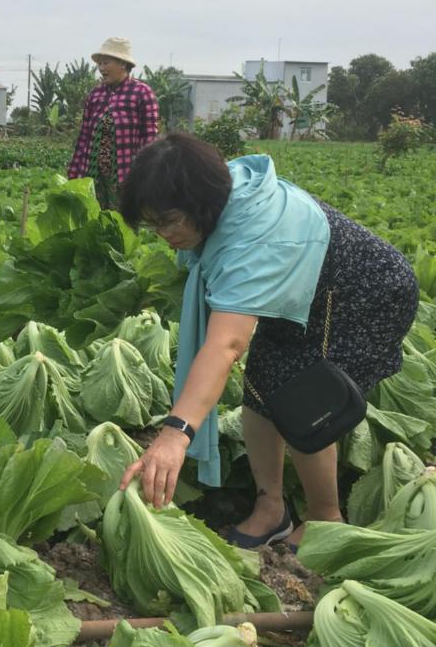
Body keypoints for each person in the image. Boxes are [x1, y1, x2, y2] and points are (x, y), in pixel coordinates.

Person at [118, 132, 419, 550]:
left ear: (201, 204)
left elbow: (226, 345)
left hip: (366, 294)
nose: (162, 234)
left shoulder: (256, 237)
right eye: (154, 224)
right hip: (303, 290)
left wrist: (174, 435)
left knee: (308, 404)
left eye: (168, 221)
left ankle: (324, 520)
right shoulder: (222, 201)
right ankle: (271, 508)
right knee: (261, 388)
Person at [67, 37, 159, 209]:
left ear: (123, 64)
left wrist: (145, 174)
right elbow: (84, 137)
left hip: (126, 176)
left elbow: (149, 139)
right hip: (94, 175)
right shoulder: (96, 94)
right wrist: (74, 172)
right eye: (99, 64)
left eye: (106, 63)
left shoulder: (141, 92)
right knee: (95, 222)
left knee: (124, 224)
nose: (101, 68)